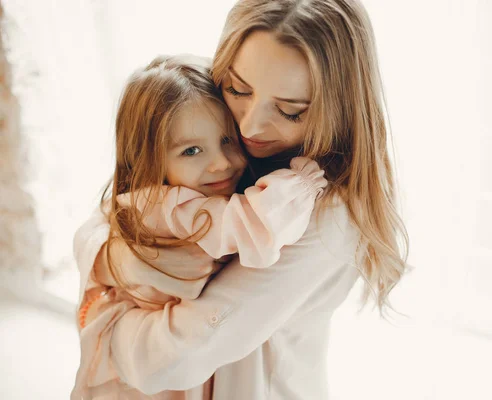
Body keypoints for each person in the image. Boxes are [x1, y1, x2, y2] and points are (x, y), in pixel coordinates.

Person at [72, 0, 408, 399]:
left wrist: (101, 319)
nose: (249, 125)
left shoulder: (323, 212)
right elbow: (113, 212)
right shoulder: (227, 140)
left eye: (290, 111)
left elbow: (167, 360)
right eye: (237, 89)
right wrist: (116, 259)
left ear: (339, 109)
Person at [70, 54, 328, 399]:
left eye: (227, 140)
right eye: (192, 150)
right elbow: (244, 226)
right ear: (148, 160)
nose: (221, 163)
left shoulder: (153, 197)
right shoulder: (174, 207)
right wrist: (302, 185)